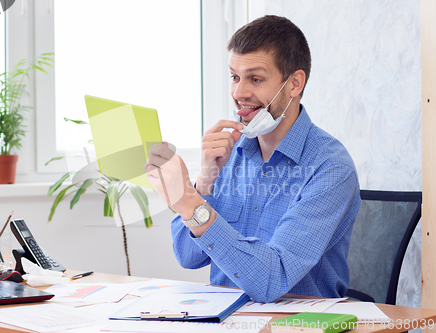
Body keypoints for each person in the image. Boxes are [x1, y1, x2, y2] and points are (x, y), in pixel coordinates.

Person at [145, 15, 361, 303]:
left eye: (255, 79)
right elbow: (187, 257)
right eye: (235, 77)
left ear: (294, 83)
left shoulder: (330, 167)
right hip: (224, 320)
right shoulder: (227, 154)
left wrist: (187, 200)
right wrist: (204, 181)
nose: (238, 93)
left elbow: (271, 281)